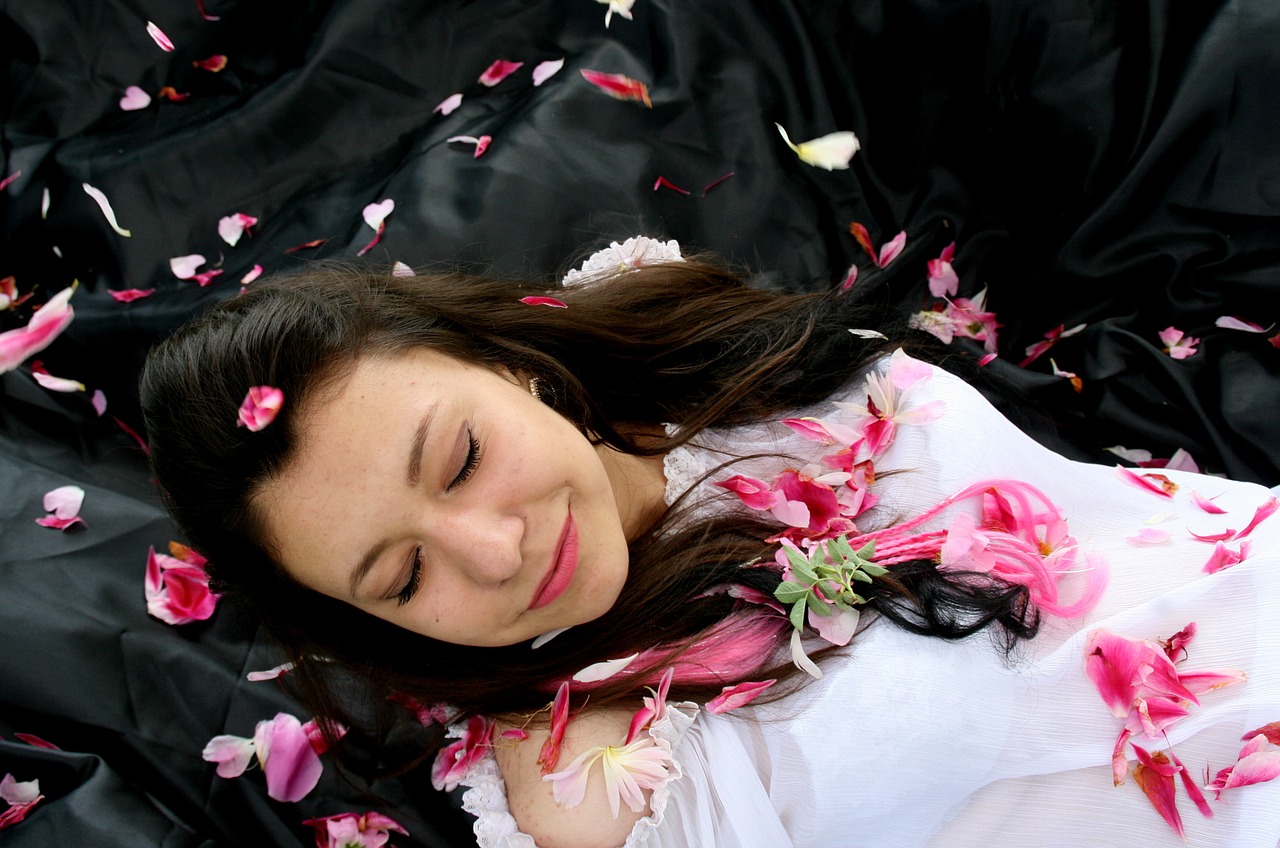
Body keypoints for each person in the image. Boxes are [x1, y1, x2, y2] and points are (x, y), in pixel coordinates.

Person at [140, 240, 1280, 848]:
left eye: (461, 458)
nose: (492, 552)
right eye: (402, 575)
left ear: (507, 365)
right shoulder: (598, 790)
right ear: (368, 623)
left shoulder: (672, 328)